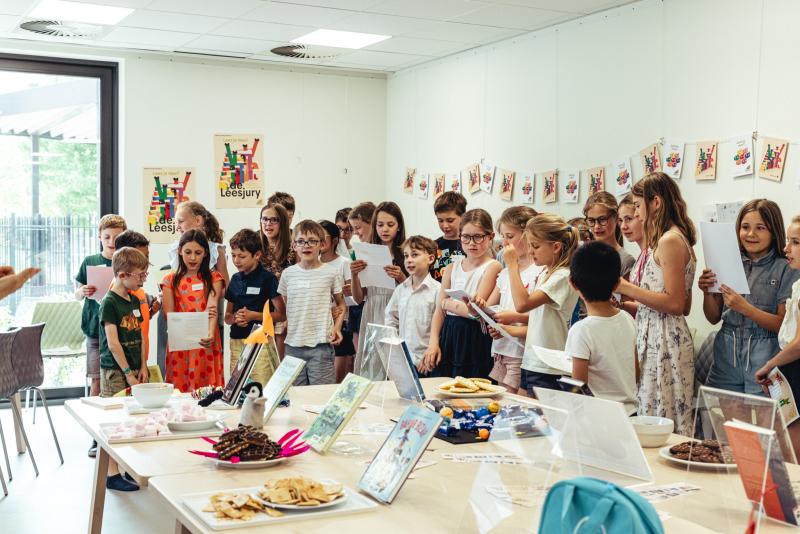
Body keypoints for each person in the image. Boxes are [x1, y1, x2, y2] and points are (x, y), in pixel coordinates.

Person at [616, 172, 697, 435]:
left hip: (665, 340)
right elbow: (672, 303)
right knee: (650, 412)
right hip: (654, 333)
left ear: (657, 203)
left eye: (638, 206)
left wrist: (626, 287)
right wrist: (627, 303)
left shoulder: (670, 240)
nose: (637, 214)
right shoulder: (664, 240)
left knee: (663, 419)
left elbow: (676, 304)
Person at [699, 200, 799, 394]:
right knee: (723, 419)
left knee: (764, 421)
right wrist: (707, 292)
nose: (751, 234)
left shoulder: (786, 267)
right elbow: (712, 317)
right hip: (726, 355)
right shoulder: (727, 260)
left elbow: (783, 325)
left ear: (773, 231)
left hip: (765, 355)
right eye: (745, 227)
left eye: (760, 228)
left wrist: (746, 308)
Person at [421, 209, 502, 378]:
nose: (472, 243)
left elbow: (473, 312)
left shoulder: (493, 266)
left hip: (474, 336)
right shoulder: (452, 267)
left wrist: (447, 303)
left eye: (478, 237)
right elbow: (439, 311)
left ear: (490, 237)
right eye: (466, 237)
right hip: (449, 333)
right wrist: (433, 342)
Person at [506, 213, 580, 397]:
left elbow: (522, 304)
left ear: (556, 247)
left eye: (535, 246)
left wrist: (512, 266)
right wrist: (512, 321)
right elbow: (541, 316)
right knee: (521, 416)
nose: (530, 251)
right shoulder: (546, 273)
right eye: (530, 245)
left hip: (549, 366)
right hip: (532, 361)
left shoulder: (562, 276)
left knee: (540, 423)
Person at [566, 241, 638, 415]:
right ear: (616, 284)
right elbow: (636, 372)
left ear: (573, 284)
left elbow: (578, 387)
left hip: (599, 416)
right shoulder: (628, 319)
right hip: (630, 412)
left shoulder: (581, 330)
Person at [98, 247, 149, 492]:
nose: (143, 279)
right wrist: (128, 371)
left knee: (130, 418)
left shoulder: (133, 299)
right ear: (122, 274)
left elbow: (138, 334)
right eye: (140, 275)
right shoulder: (109, 302)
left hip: (133, 370)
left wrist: (142, 367)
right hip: (115, 371)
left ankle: (124, 466)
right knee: (114, 421)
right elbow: (113, 343)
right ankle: (111, 474)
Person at [479, 206, 540, 392]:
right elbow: (489, 307)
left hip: (521, 350)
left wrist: (509, 322)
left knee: (512, 407)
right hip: (501, 349)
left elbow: (539, 317)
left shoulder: (538, 271)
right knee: (501, 401)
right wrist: (479, 308)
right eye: (502, 236)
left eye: (510, 236)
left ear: (528, 235)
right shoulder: (505, 273)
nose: (504, 242)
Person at [278, 220, 346, 385]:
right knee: (296, 397)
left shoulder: (331, 272)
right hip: (293, 346)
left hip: (321, 345)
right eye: (301, 241)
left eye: (312, 241)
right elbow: (287, 306)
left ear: (322, 244)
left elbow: (341, 305)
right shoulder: (288, 274)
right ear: (294, 245)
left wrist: (337, 328)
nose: (306, 246)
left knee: (320, 396)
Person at [756, 215, 800, 451]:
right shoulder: (798, 283)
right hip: (789, 367)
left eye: (796, 242)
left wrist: (769, 365)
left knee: (792, 449)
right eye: (788, 241)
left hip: (795, 367)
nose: (786, 248)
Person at [162, 230, 225, 392]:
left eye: (198, 253)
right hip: (181, 339)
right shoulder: (169, 280)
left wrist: (210, 333)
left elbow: (212, 308)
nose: (192, 258)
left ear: (205, 254)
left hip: (206, 338)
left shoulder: (214, 278)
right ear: (180, 251)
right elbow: (168, 314)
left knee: (207, 389)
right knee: (180, 387)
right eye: (188, 252)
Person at [351, 202, 408, 379]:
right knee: (371, 365)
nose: (385, 229)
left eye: (390, 225)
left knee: (394, 365)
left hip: (395, 313)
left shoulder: (405, 253)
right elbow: (359, 298)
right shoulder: (366, 251)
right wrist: (354, 275)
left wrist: (401, 278)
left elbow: (413, 292)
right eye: (380, 224)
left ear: (399, 227)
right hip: (372, 309)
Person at [75, 214, 127, 402]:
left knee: (119, 380)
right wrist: (83, 290)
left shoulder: (126, 262)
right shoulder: (89, 261)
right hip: (95, 329)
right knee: (96, 381)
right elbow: (77, 294)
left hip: (121, 331)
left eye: (117, 237)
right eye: (107, 237)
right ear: (100, 237)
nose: (112, 242)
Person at [224, 229, 285, 385]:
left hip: (261, 342)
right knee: (236, 388)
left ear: (257, 255)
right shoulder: (235, 279)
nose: (236, 260)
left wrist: (254, 316)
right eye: (233, 255)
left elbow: (281, 314)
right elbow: (227, 317)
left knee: (262, 386)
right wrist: (236, 318)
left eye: (242, 256)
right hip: (237, 341)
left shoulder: (268, 278)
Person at [385, 236, 441, 370]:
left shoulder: (437, 290)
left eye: (415, 255)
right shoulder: (400, 290)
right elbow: (390, 319)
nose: (409, 260)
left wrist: (429, 355)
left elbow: (441, 327)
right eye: (406, 256)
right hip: (403, 360)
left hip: (427, 360)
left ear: (431, 259)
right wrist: (395, 350)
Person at [319, 220, 355, 382]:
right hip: (319, 324)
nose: (318, 241)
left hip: (342, 324)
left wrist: (340, 310)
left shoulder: (344, 263)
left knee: (338, 378)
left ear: (334, 240)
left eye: (323, 237)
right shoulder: (312, 264)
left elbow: (351, 296)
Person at [259, 202, 296, 358]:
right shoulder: (256, 246)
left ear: (283, 222)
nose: (268, 224)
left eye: (273, 220)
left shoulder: (293, 248)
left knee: (281, 364)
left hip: (286, 310)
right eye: (265, 219)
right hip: (261, 310)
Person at [583, 192, 636, 278]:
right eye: (591, 220)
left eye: (602, 219)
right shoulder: (584, 256)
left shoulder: (625, 260)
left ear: (615, 218)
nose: (597, 226)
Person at [619, 194, 647, 317]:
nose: (623, 226)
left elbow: (676, 305)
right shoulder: (642, 255)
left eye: (629, 219)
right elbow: (644, 307)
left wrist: (624, 287)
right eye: (620, 220)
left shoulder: (655, 253)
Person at [431, 192, 467, 282]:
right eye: (440, 221)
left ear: (463, 217)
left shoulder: (469, 244)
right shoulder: (432, 245)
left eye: (450, 220)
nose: (445, 225)